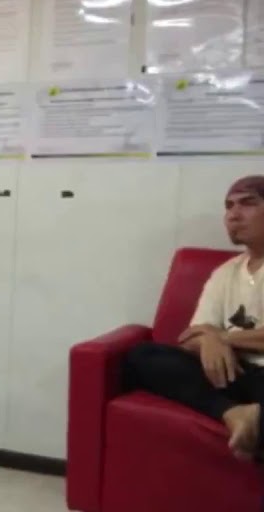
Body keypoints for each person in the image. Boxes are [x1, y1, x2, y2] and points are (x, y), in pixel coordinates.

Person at [126, 176, 264, 461]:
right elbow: (191, 337)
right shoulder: (226, 272)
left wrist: (218, 338)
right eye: (229, 206)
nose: (234, 215)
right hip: (230, 371)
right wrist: (208, 340)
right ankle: (234, 413)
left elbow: (208, 333)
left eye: (248, 203)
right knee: (144, 355)